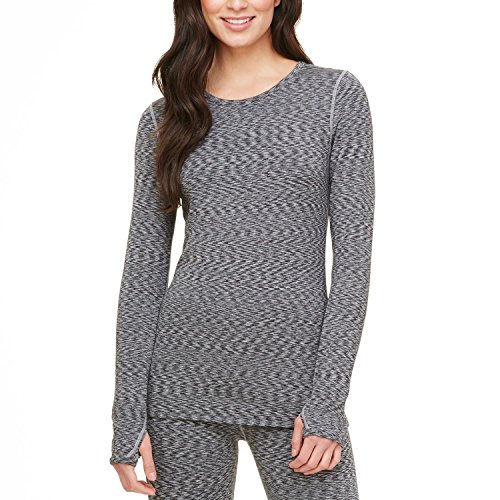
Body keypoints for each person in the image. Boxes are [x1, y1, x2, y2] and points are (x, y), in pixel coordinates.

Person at [109, 1, 375, 498]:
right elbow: (143, 273)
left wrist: (326, 401)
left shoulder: (334, 97)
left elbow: (353, 268)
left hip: (297, 391)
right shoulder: (165, 117)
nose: (236, 3)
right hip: (179, 390)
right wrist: (127, 414)